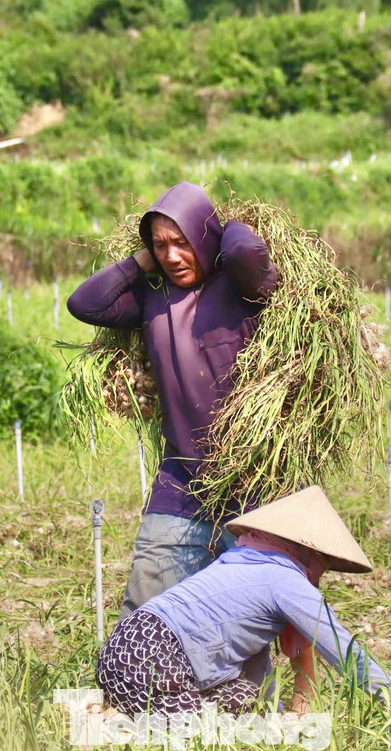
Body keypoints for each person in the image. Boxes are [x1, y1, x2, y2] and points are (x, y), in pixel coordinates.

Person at [67, 182, 279, 617]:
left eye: (182, 242)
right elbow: (85, 303)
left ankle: (249, 690)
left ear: (206, 236)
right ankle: (139, 687)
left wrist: (228, 226)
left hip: (253, 484)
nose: (172, 256)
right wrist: (140, 259)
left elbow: (244, 253)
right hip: (180, 482)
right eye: (160, 246)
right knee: (144, 611)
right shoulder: (152, 297)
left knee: (243, 622)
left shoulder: (243, 290)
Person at [95, 485, 391, 716]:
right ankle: (115, 726)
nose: (324, 571)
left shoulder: (242, 558)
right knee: (206, 737)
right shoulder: (284, 580)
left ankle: (121, 714)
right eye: (326, 560)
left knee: (243, 702)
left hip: (122, 649)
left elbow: (252, 657)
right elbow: (340, 646)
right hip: (154, 656)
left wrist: (273, 713)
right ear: (308, 550)